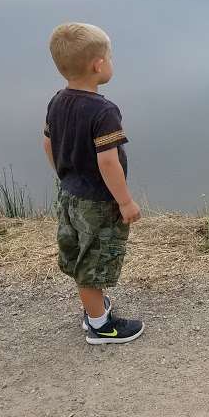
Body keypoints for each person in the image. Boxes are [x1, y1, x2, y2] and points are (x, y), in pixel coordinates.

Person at [43, 22, 145, 344]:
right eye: (110, 58)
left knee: (79, 254)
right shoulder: (104, 111)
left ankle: (94, 309)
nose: (111, 63)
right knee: (94, 261)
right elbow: (107, 160)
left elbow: (47, 143)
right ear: (98, 65)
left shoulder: (58, 101)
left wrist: (65, 176)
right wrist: (125, 201)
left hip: (70, 194)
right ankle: (100, 325)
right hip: (98, 202)